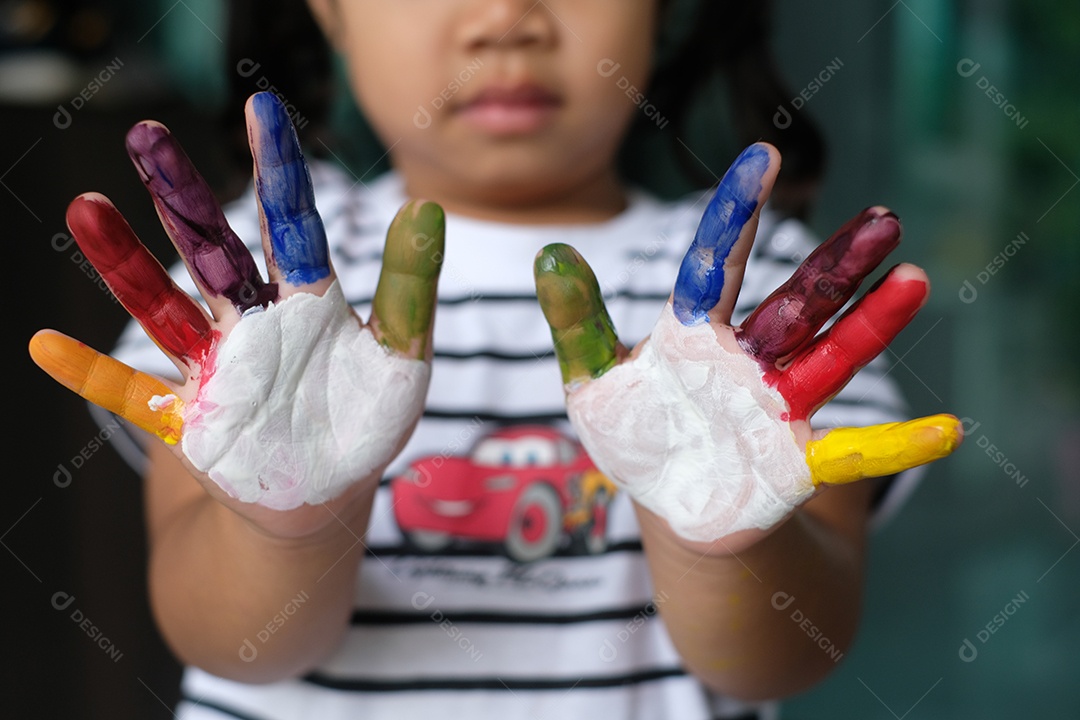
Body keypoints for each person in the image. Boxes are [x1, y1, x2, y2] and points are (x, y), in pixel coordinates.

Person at [29, 1, 961, 718]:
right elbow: (235, 645)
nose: (508, 18)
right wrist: (292, 526)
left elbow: (784, 658)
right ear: (330, 11)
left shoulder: (762, 321)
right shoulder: (238, 307)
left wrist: (714, 540)